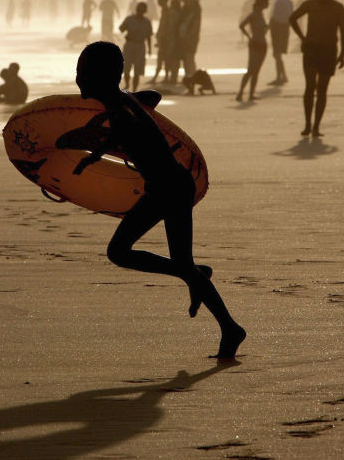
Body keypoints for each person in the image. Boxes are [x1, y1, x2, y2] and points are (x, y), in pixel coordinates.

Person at [71, 41, 246, 359]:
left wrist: (89, 146)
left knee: (120, 252)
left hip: (169, 189)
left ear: (98, 76)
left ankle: (207, 294)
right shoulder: (123, 102)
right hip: (169, 186)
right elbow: (153, 97)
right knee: (172, 260)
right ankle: (222, 317)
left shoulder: (122, 111)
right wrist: (100, 137)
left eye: (82, 71)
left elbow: (119, 134)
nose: (77, 77)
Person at [289, 0, 344, 137]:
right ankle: (308, 125)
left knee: (322, 90)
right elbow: (292, 18)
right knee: (310, 88)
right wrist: (303, 38)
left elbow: (343, 32)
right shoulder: (310, 4)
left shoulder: (338, 7)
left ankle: (316, 126)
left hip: (328, 51)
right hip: (312, 49)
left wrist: (342, 54)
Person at [236, 0, 270, 102]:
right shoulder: (254, 15)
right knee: (251, 70)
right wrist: (249, 36)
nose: (268, 4)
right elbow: (241, 25)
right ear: (262, 3)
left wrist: (266, 28)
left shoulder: (261, 15)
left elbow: (262, 30)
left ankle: (250, 94)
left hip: (261, 44)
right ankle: (241, 92)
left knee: (256, 71)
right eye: (267, 2)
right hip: (255, 44)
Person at [118, 2, 153, 92]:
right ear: (136, 10)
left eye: (142, 11)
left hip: (140, 45)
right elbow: (121, 28)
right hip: (129, 44)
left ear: (144, 11)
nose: (140, 12)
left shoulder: (147, 22)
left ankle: (134, 88)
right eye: (139, 10)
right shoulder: (129, 19)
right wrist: (125, 32)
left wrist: (149, 49)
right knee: (126, 67)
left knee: (138, 69)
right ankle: (127, 84)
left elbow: (149, 36)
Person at [268, 0, 294, 86]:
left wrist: (270, 24)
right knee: (278, 55)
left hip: (279, 29)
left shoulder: (279, 2)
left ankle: (280, 77)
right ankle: (283, 76)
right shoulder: (288, 1)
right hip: (285, 29)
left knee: (277, 54)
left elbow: (277, 17)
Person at [179, 0, 202, 77]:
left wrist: (189, 35)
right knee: (187, 58)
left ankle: (191, 77)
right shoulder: (192, 5)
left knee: (189, 58)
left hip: (191, 36)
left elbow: (196, 25)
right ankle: (189, 77)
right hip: (188, 35)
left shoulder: (194, 6)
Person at [150, 0, 172, 84]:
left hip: (165, 39)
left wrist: (161, 36)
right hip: (163, 38)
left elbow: (165, 26)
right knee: (163, 57)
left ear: (164, 0)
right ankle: (162, 77)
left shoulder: (167, 11)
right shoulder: (165, 10)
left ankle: (163, 77)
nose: (158, 1)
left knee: (163, 58)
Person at [165, 0, 184, 85]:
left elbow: (172, 26)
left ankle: (173, 78)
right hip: (177, 39)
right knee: (175, 60)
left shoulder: (175, 14)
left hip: (174, 39)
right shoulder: (179, 13)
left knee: (173, 59)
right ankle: (173, 77)